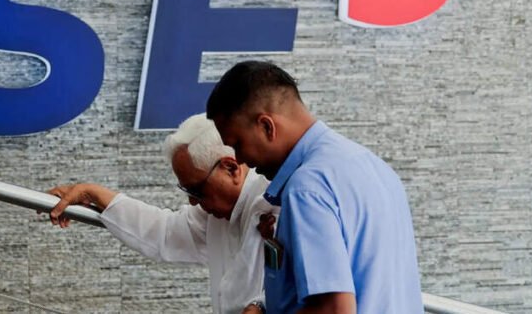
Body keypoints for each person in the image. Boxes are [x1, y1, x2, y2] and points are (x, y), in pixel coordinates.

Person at [206, 61, 423, 314]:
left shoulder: (306, 188)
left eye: (238, 144)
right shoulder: (375, 168)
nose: (241, 159)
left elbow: (334, 309)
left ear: (266, 126)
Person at [47, 114, 278, 314]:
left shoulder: (278, 201)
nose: (192, 202)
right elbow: (163, 232)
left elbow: (297, 285)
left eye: (197, 190)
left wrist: (260, 306)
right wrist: (93, 194)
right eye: (187, 191)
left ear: (231, 168)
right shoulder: (214, 214)